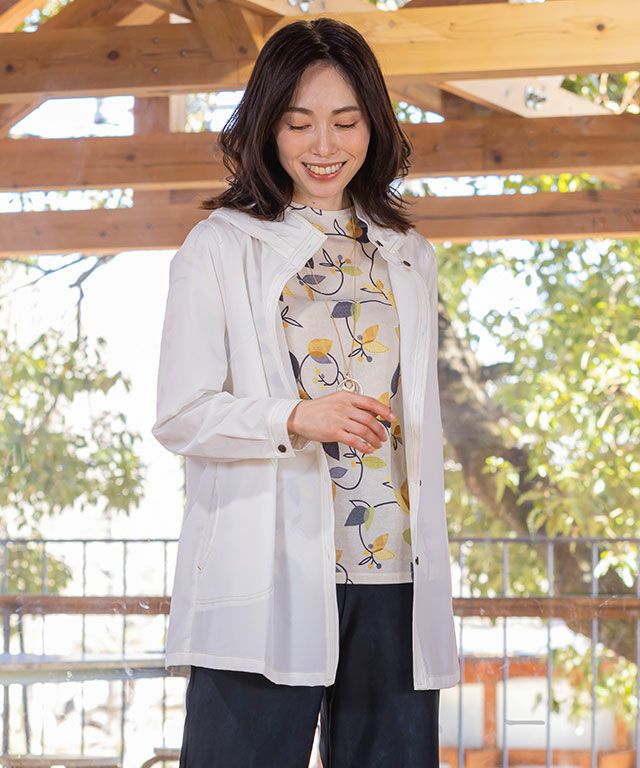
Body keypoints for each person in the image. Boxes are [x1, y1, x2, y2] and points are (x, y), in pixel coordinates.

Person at [151, 15, 460, 768]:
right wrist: (294, 417)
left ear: (374, 127)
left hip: (392, 571)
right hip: (267, 573)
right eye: (299, 123)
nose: (325, 145)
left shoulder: (408, 255)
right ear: (267, 128)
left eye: (346, 122)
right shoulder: (221, 245)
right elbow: (181, 414)